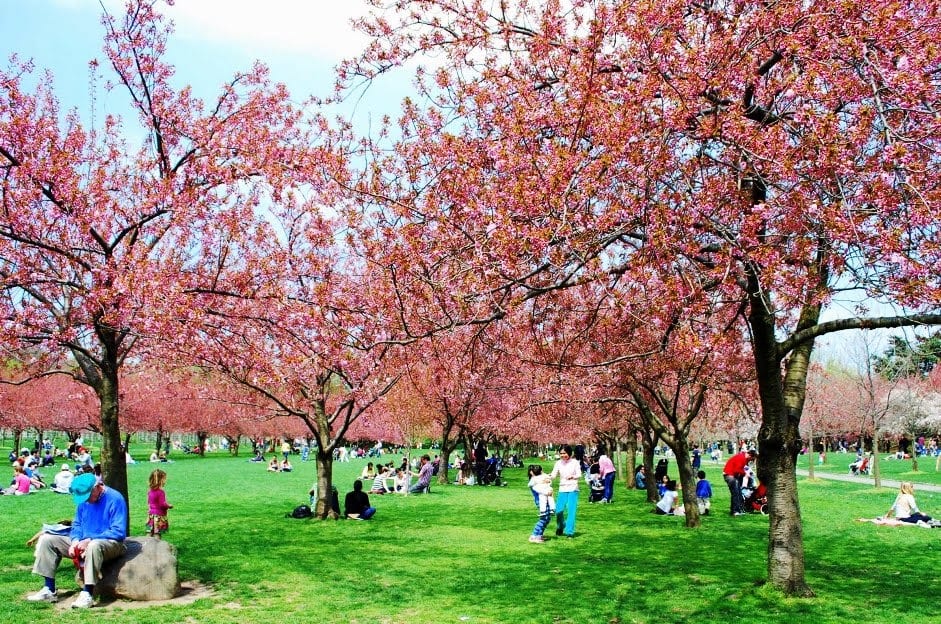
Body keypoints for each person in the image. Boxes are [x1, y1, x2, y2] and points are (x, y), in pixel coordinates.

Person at [26, 472, 127, 609]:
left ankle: (87, 594)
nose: (85, 501)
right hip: (83, 540)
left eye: (87, 496)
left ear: (97, 487)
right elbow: (77, 524)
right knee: (47, 539)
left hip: (109, 542)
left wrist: (90, 539)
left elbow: (118, 531)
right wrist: (74, 541)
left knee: (93, 545)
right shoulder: (84, 502)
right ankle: (49, 589)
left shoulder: (115, 499)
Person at [550, 444, 581, 538]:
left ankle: (569, 532)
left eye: (565, 453)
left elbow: (579, 474)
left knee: (571, 510)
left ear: (569, 453)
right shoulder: (558, 463)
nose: (563, 455)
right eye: (561, 453)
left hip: (573, 488)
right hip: (562, 489)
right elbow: (553, 475)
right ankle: (561, 525)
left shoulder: (575, 462)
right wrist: (546, 477)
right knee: (558, 510)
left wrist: (573, 476)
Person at [723, 448, 757, 516]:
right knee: (735, 493)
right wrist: (745, 474)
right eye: (752, 459)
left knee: (738, 493)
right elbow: (737, 470)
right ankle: (735, 511)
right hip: (730, 475)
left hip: (733, 476)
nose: (751, 460)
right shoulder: (741, 458)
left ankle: (737, 510)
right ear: (750, 455)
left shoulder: (743, 457)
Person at [527, 465, 555, 543]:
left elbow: (547, 479)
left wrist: (546, 479)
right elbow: (539, 489)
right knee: (543, 519)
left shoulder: (539, 479)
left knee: (547, 518)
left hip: (547, 501)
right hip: (541, 502)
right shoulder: (533, 482)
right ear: (531, 472)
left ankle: (539, 535)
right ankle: (533, 535)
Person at [146, 468, 173, 538]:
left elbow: (149, 502)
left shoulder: (150, 491)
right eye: (164, 479)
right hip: (159, 516)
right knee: (157, 534)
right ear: (160, 480)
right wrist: (169, 506)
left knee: (149, 533)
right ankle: (157, 548)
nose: (165, 481)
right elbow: (162, 504)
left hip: (151, 516)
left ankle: (146, 546)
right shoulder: (161, 492)